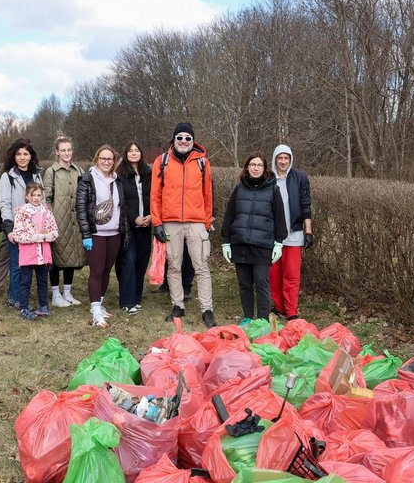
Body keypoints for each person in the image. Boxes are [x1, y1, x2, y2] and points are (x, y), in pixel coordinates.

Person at [150, 122, 216, 328]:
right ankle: (178, 305)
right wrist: (157, 222)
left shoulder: (203, 163)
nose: (184, 141)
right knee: (174, 266)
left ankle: (207, 309)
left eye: (188, 138)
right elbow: (155, 195)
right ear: (174, 139)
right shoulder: (162, 161)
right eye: (180, 137)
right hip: (170, 223)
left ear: (193, 141)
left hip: (196, 223)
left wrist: (207, 222)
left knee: (202, 266)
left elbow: (208, 195)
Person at [221, 153, 288, 325]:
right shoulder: (239, 189)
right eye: (252, 164)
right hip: (240, 244)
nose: (256, 168)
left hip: (262, 245)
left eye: (259, 165)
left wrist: (279, 243)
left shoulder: (273, 190)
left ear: (264, 169)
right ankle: (248, 318)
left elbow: (280, 217)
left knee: (261, 284)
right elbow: (229, 216)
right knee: (244, 284)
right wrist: (226, 241)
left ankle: (263, 320)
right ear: (247, 167)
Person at [75, 145, 135, 328]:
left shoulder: (117, 180)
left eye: (110, 159)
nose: (106, 162)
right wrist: (86, 233)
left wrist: (124, 230)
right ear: (97, 159)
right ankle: (95, 311)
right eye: (103, 158)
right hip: (96, 234)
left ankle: (99, 305)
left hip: (114, 233)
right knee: (97, 271)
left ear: (114, 161)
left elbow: (121, 208)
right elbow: (81, 208)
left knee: (107, 269)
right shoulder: (87, 179)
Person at [269, 143, 313, 321]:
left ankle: (291, 310)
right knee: (274, 273)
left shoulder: (300, 178)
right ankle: (278, 306)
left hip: (294, 233)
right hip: (273, 234)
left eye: (286, 158)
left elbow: (305, 205)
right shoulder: (268, 178)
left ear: (290, 159)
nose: (283, 161)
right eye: (280, 158)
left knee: (292, 274)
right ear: (275, 159)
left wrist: (308, 231)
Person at [0, 138, 43, 310]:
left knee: (30, 265)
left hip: (35, 229)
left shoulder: (36, 175)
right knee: (17, 264)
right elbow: (4, 203)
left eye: (26, 154)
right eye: (19, 154)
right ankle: (14, 298)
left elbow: (42, 201)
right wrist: (9, 228)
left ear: (31, 156)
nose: (22, 157)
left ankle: (23, 295)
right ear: (14, 156)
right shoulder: (7, 177)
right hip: (17, 229)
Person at [43, 135, 86, 307]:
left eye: (69, 150)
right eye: (63, 150)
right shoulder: (51, 172)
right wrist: (52, 219)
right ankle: (55, 294)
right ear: (57, 152)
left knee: (72, 255)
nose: (66, 153)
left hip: (75, 220)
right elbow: (46, 198)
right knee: (56, 258)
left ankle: (67, 292)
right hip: (58, 221)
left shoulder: (79, 170)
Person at [9, 182, 58, 320]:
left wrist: (47, 236)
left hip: (43, 254)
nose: (36, 198)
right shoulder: (21, 213)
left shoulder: (46, 212)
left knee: (42, 281)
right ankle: (24, 308)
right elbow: (17, 234)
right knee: (25, 281)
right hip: (28, 254)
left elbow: (55, 231)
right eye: (33, 195)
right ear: (27, 196)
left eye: (38, 195)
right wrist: (34, 237)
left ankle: (44, 306)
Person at [114, 141, 151, 314]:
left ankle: (135, 297)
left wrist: (151, 215)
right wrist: (134, 218)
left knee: (141, 262)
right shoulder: (120, 175)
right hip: (128, 226)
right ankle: (127, 301)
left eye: (137, 150)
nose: (134, 153)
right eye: (130, 150)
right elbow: (121, 201)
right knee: (128, 261)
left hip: (146, 224)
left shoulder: (148, 173)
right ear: (126, 154)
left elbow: (155, 196)